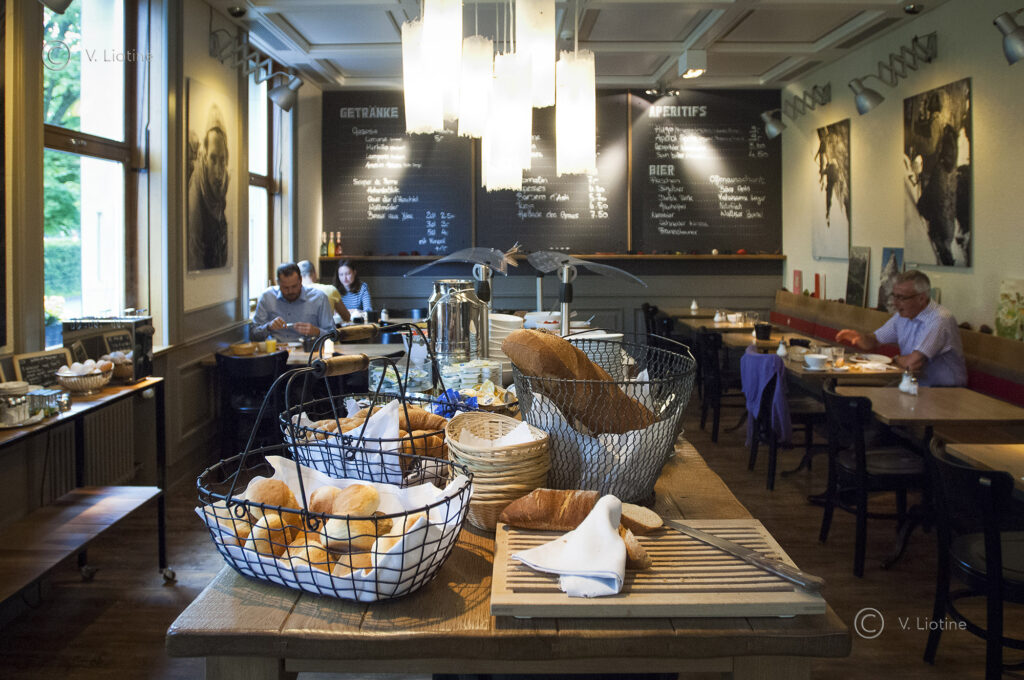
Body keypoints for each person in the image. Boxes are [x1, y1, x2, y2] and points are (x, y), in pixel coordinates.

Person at [835, 270, 966, 387]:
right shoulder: (903, 316)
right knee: (857, 395)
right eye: (894, 296)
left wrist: (896, 359)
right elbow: (875, 340)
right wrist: (861, 338)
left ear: (921, 298)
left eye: (901, 298)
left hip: (944, 390)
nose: (895, 303)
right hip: (914, 384)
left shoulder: (939, 319)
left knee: (872, 398)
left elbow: (913, 364)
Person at [186, 104, 229, 271]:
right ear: (204, 158)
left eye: (222, 160)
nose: (218, 173)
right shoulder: (195, 193)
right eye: (213, 159)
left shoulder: (222, 190)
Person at [252, 263, 334, 343]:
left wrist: (316, 331)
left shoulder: (319, 298)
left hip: (308, 349)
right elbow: (253, 334)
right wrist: (268, 327)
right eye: (285, 287)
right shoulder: (267, 297)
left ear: (300, 280)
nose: (290, 291)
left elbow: (333, 335)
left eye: (294, 286)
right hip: (276, 349)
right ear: (278, 282)